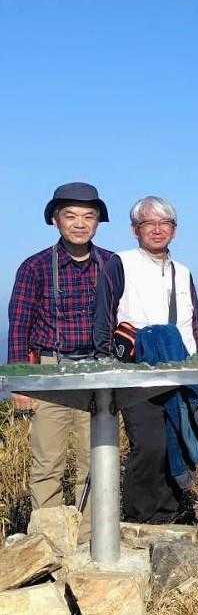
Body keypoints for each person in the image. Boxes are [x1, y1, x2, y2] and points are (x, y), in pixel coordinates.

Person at [92, 196, 198, 524]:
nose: (157, 229)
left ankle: (169, 515)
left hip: (179, 368)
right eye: (148, 223)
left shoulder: (183, 271)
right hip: (134, 371)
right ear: (135, 230)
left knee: (177, 441)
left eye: (164, 223)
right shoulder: (120, 263)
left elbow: (193, 322)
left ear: (174, 230)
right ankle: (139, 517)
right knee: (149, 445)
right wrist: (106, 363)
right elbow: (104, 315)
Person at [7, 183, 113, 516]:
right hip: (50, 371)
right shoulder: (35, 267)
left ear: (97, 222)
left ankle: (89, 535)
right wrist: (20, 383)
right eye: (71, 216)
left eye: (88, 216)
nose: (80, 223)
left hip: (97, 372)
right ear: (56, 220)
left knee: (94, 461)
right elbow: (19, 326)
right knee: (47, 462)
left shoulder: (111, 264)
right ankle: (47, 537)